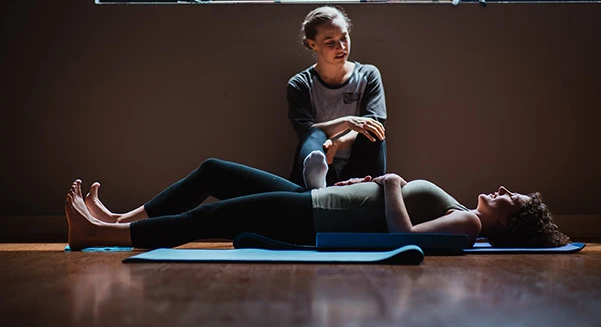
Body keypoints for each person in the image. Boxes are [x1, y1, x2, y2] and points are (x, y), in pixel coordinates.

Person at [65, 158, 570, 251]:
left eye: (512, 199)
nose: (503, 190)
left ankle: (97, 235)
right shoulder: (462, 212)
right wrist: (378, 185)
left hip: (314, 217)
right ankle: (116, 219)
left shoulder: (467, 223)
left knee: (213, 217)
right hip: (316, 201)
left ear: (508, 223)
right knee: (215, 171)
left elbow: (404, 240)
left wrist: (392, 185)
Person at [287, 6, 387, 189]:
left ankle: (367, 188)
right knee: (314, 133)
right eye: (330, 42)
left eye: (344, 38)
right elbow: (304, 130)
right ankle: (317, 186)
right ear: (312, 44)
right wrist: (346, 122)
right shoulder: (301, 84)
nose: (341, 47)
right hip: (321, 156)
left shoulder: (368, 74)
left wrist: (339, 143)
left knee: (373, 131)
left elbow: (375, 122)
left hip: (360, 162)